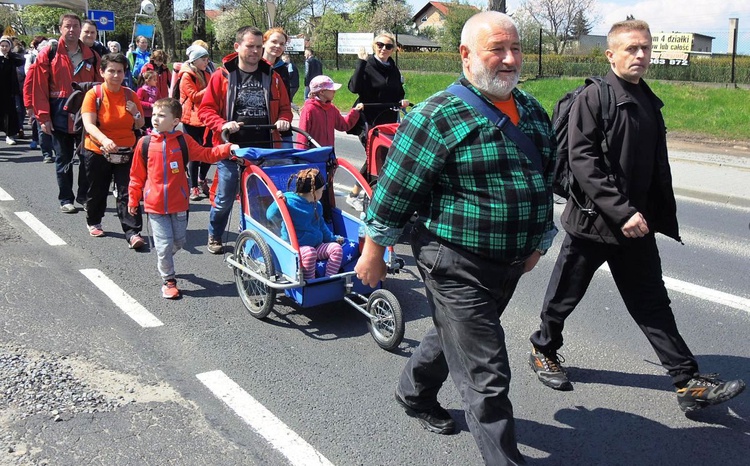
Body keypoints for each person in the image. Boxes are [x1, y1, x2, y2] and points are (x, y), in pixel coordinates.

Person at [355, 11, 555, 465]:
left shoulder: (533, 112)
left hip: (508, 261)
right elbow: (394, 191)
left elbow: (545, 179)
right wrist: (373, 251)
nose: (509, 59)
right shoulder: (436, 116)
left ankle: (413, 393)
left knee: (455, 338)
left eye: (515, 49)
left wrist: (539, 240)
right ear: (466, 55)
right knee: (487, 373)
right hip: (454, 262)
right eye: (496, 50)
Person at [528, 19, 746, 413]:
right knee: (564, 295)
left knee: (651, 302)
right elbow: (583, 161)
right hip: (595, 222)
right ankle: (543, 348)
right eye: (632, 49)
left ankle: (686, 381)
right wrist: (622, 210)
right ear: (611, 54)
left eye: (645, 48)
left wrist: (650, 213)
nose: (641, 55)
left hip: (634, 226)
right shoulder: (593, 99)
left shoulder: (646, 98)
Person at [198, 25, 292, 255]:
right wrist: (222, 125)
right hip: (232, 149)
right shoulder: (222, 76)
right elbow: (205, 110)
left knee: (263, 198)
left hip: (264, 149)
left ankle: (259, 237)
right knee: (225, 198)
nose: (255, 51)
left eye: (259, 47)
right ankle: (216, 234)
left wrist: (283, 120)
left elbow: (286, 109)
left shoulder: (273, 76)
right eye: (250, 46)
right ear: (237, 46)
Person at [128, 98, 235, 299]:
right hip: (155, 205)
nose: (156, 119)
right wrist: (133, 200)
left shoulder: (183, 141)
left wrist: (227, 148)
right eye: (155, 114)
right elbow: (136, 175)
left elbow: (206, 154)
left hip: (179, 204)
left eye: (162, 115)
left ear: (175, 121)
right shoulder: (145, 143)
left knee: (178, 241)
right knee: (164, 245)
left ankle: (165, 258)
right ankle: (168, 279)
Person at [31, 13, 102, 214]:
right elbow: (39, 87)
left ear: (80, 29)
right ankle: (65, 198)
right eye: (67, 26)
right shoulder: (49, 53)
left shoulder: (92, 55)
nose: (72, 30)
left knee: (88, 158)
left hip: (85, 113)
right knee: (63, 159)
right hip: (59, 112)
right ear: (60, 28)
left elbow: (99, 88)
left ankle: (83, 196)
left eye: (75, 26)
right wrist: (43, 117)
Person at [80, 52, 146, 247]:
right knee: (97, 190)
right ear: (102, 72)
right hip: (98, 149)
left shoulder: (130, 94)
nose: (116, 75)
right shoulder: (94, 94)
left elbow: (140, 123)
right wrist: (104, 139)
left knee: (128, 192)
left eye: (120, 71)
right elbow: (89, 124)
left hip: (126, 150)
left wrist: (135, 113)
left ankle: (133, 232)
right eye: (111, 71)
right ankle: (94, 220)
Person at [346, 32, 409, 210]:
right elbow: (354, 88)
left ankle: (361, 193)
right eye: (380, 45)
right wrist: (361, 62)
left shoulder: (392, 68)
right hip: (368, 118)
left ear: (393, 49)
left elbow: (397, 92)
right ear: (375, 46)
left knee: (384, 156)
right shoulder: (368, 64)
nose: (384, 49)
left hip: (387, 120)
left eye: (388, 46)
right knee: (375, 156)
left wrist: (402, 100)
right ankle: (362, 194)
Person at [266, 168, 344, 280]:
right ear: (314, 191)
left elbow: (321, 226)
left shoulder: (317, 205)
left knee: (336, 249)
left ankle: (328, 279)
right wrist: (278, 202)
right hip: (295, 248)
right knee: (310, 252)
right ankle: (310, 282)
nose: (322, 192)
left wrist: (333, 238)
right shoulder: (289, 201)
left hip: (316, 245)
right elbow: (270, 215)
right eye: (321, 190)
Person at [178, 45, 212, 201]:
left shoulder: (206, 73)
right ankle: (193, 187)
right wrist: (210, 89)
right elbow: (193, 96)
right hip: (191, 119)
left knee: (209, 151)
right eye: (203, 59)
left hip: (205, 118)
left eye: (207, 59)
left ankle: (202, 178)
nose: (206, 61)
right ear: (195, 60)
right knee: (194, 154)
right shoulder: (187, 75)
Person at [297, 75, 363, 148]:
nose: (334, 91)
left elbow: (343, 125)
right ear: (321, 92)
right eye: (331, 89)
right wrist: (301, 156)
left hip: (328, 154)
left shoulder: (331, 108)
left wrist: (355, 111)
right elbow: (302, 135)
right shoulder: (309, 109)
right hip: (312, 154)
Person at [23, 36, 55, 161]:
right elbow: (27, 87)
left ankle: (57, 150)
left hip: (54, 101)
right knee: (42, 129)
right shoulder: (34, 67)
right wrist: (29, 105)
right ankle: (47, 153)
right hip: (39, 102)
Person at [0, 36, 25, 145]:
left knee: (9, 113)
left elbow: (21, 60)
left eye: (6, 46)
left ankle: (9, 135)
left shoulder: (12, 58)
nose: (4, 48)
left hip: (9, 89)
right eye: (2, 46)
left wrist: (9, 55)